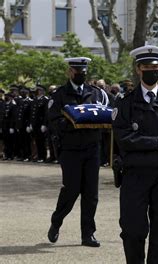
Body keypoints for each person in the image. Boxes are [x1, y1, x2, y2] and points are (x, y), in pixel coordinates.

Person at [112, 45, 158, 263]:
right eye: (147, 67)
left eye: (156, 66)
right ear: (138, 69)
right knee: (132, 230)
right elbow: (123, 139)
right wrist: (156, 143)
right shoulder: (125, 103)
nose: (153, 70)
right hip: (136, 174)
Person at [47, 57, 108, 247]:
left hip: (92, 148)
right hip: (71, 149)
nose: (81, 74)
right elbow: (53, 121)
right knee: (71, 190)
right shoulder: (59, 95)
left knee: (91, 194)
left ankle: (87, 234)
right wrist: (74, 120)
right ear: (70, 72)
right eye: (77, 71)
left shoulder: (96, 93)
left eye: (83, 72)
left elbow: (106, 113)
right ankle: (57, 221)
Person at [29, 85, 49, 162]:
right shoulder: (34, 100)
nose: (38, 92)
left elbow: (46, 113)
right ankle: (38, 156)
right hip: (35, 123)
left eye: (39, 90)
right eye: (37, 90)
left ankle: (43, 156)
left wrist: (44, 124)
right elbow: (31, 113)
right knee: (37, 140)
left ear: (43, 91)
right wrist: (30, 123)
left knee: (42, 141)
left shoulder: (45, 100)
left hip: (41, 124)